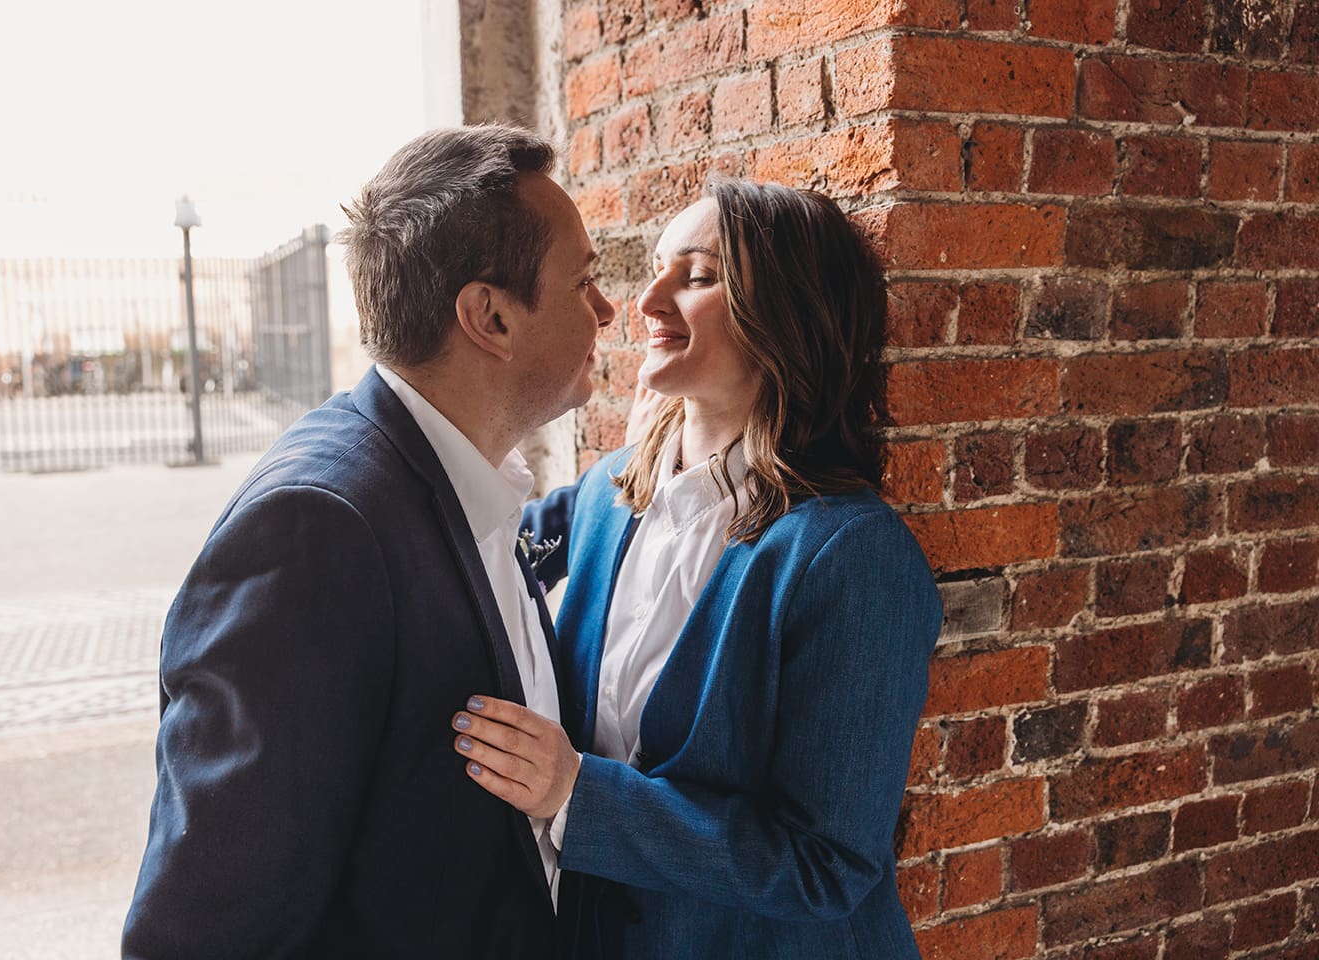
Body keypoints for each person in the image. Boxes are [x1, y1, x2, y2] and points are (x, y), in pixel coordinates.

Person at [122, 124, 615, 959]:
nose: (604, 309)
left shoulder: (466, 480)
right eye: (583, 281)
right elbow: (205, 927)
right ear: (490, 317)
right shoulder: (315, 530)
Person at [449, 178, 942, 958]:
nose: (646, 302)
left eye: (698, 276)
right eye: (657, 269)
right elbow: (486, 548)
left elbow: (827, 866)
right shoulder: (610, 494)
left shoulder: (852, 558)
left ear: (786, 315)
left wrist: (576, 794)